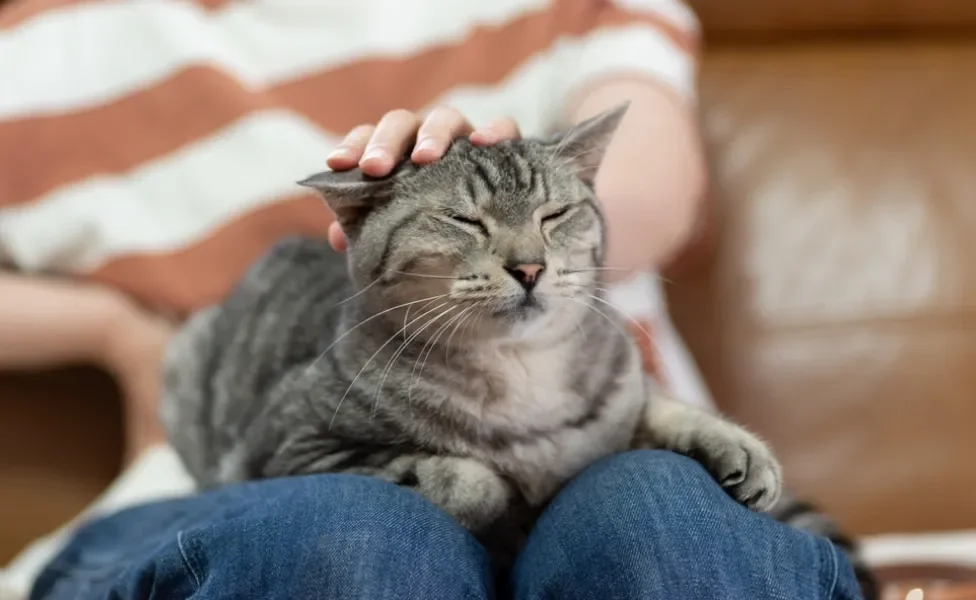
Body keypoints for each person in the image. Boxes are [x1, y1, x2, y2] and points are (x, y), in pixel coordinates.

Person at [0, 1, 868, 598]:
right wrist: (115, 331)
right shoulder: (44, 43)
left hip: (596, 433)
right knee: (357, 539)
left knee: (654, 523)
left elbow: (654, 181)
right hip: (242, 471)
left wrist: (521, 180)